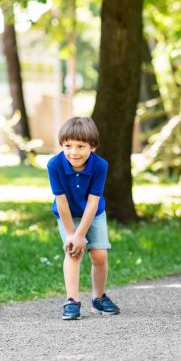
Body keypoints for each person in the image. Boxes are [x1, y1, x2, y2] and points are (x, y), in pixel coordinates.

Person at [47, 117, 120, 320]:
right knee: (73, 252)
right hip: (67, 214)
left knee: (99, 256)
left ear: (93, 147)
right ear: (61, 145)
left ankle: (98, 298)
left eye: (81, 146)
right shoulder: (54, 165)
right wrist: (73, 235)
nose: (73, 152)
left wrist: (81, 234)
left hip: (93, 213)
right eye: (68, 146)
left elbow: (93, 202)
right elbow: (61, 202)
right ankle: (72, 300)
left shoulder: (100, 166)